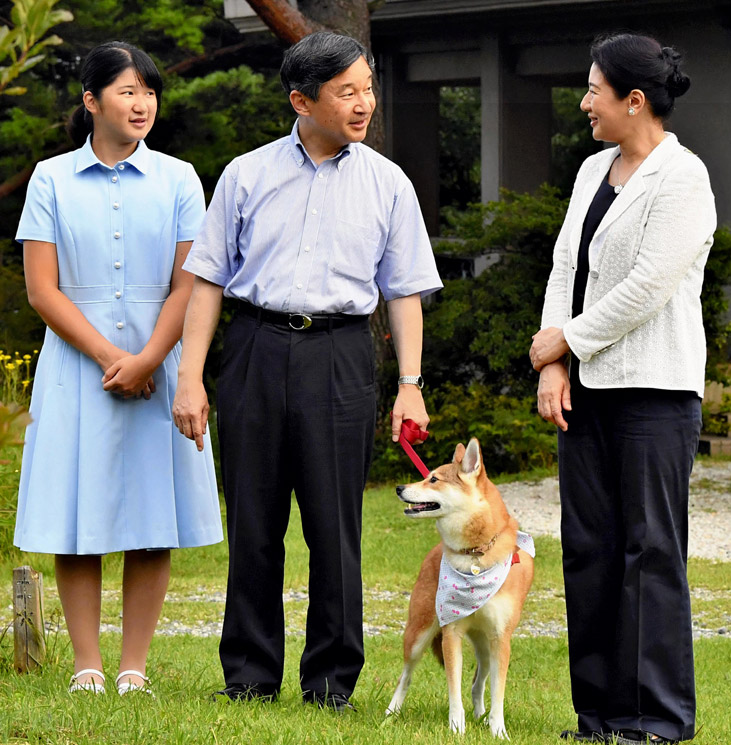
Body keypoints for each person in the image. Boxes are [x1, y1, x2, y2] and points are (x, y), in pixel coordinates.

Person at [172, 31, 442, 710]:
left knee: (334, 527)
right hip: (255, 350)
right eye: (347, 91)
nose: (364, 104)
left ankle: (330, 682)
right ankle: (250, 676)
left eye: (368, 89)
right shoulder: (246, 174)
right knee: (255, 524)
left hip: (341, 353)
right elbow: (206, 280)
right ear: (302, 100)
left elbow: (403, 290)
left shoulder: (387, 182)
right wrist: (190, 376)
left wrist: (409, 384)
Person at [14, 41, 223, 696]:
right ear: (91, 100)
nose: (141, 104)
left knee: (149, 511)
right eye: (128, 91)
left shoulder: (180, 178)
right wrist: (111, 357)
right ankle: (87, 665)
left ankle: (133, 665)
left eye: (149, 92)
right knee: (76, 515)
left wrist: (152, 358)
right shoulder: (49, 178)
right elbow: (42, 290)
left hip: (161, 361)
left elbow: (189, 281)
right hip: (78, 365)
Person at [530, 33, 716, 744]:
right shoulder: (589, 171)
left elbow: (646, 285)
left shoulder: (683, 178)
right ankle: (598, 716)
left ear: (632, 100)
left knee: (649, 551)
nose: (583, 103)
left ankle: (656, 720)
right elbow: (562, 269)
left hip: (655, 393)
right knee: (588, 547)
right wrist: (552, 362)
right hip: (584, 390)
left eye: (592, 90)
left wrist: (566, 341)